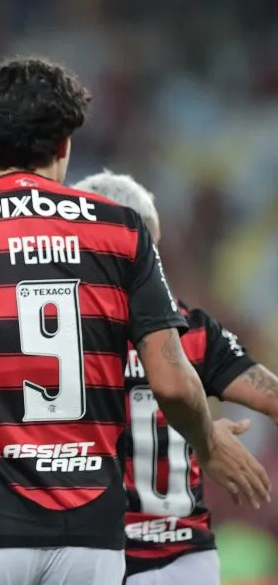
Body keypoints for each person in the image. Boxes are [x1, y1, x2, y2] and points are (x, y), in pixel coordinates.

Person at [0, 57, 271, 585]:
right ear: (65, 146)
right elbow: (171, 381)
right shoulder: (120, 232)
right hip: (89, 538)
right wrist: (208, 444)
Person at [73, 170, 278, 585]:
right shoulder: (194, 331)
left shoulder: (47, 336)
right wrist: (201, 433)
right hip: (182, 562)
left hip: (83, 559)